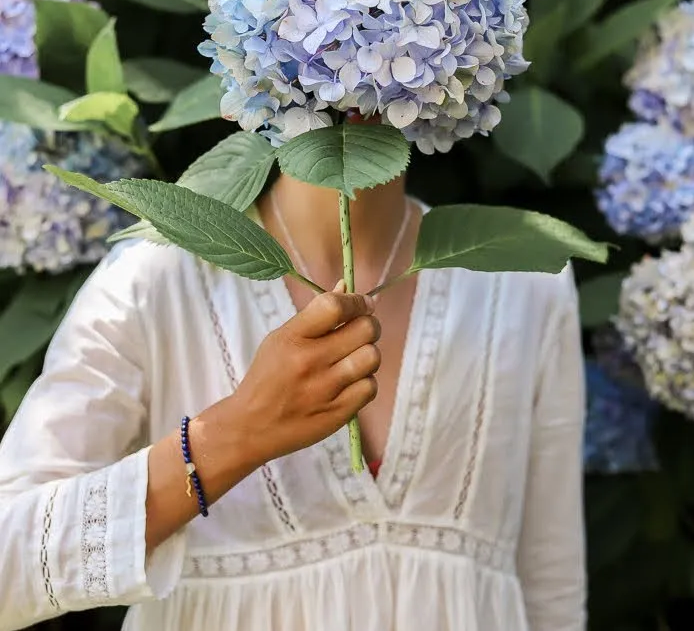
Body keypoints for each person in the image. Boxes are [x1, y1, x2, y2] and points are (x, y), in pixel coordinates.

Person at [0, 173, 586, 631]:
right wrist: (231, 436)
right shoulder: (153, 281)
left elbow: (550, 587)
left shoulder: (525, 282)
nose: (360, 29)